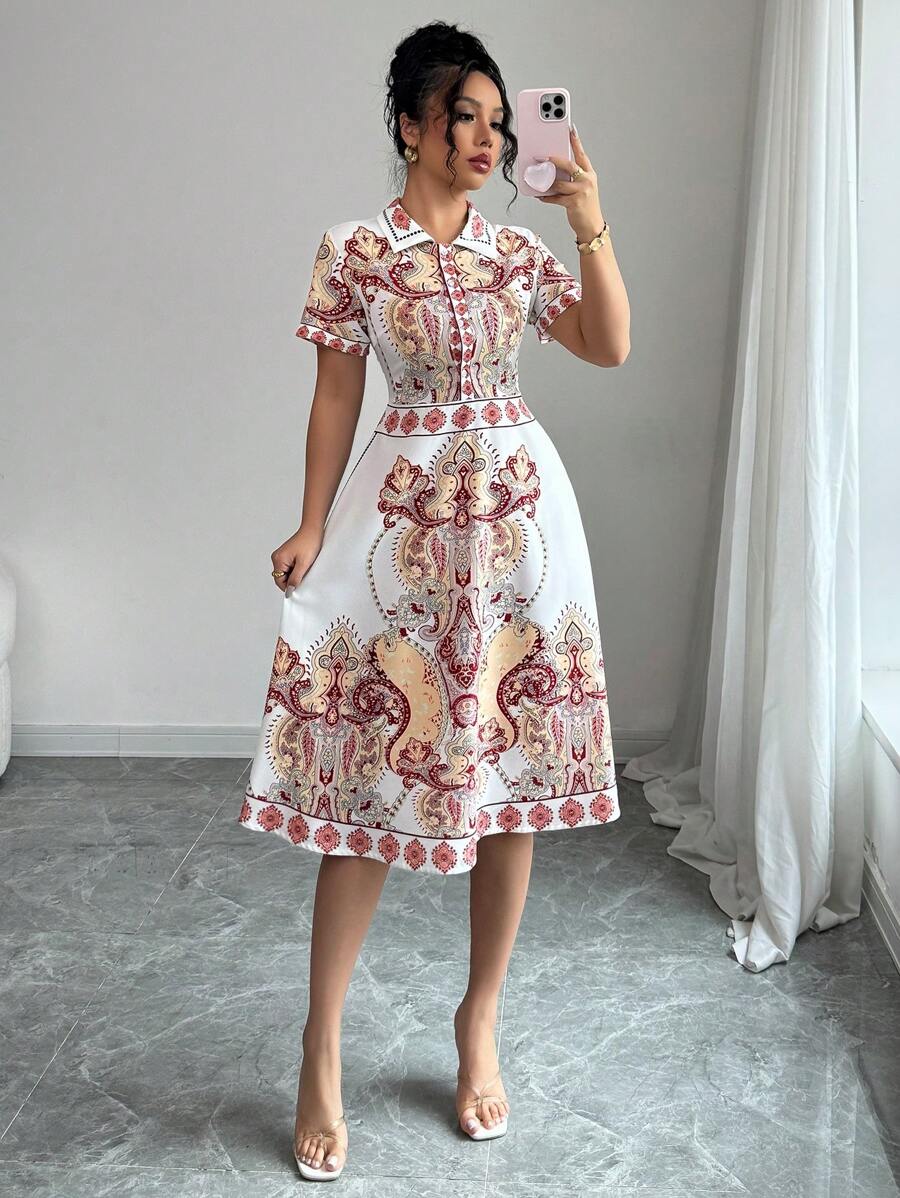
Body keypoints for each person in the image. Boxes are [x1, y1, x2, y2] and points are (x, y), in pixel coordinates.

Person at [238, 19, 631, 1181]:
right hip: (404, 527)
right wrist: (312, 522)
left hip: (518, 526)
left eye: (500, 123)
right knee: (373, 775)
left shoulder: (519, 252)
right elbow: (334, 395)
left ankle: (480, 1019)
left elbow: (608, 344)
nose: (488, 139)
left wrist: (587, 215)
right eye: (466, 116)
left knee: (508, 779)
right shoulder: (355, 249)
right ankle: (320, 1044)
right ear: (411, 124)